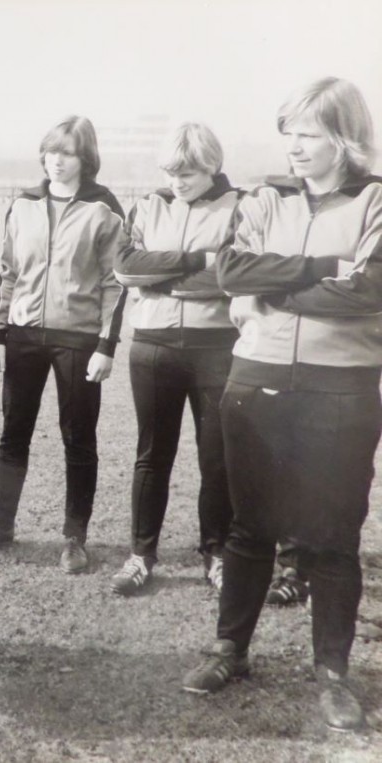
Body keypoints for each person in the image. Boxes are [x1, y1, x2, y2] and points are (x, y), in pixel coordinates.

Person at [182, 77, 382, 733]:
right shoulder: (266, 196)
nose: (294, 146)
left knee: (331, 537)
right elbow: (233, 273)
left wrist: (280, 288)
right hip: (256, 377)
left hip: (342, 387)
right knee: (249, 525)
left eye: (309, 133)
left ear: (345, 138)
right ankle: (229, 648)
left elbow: (369, 293)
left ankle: (332, 671)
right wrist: (326, 269)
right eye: (288, 132)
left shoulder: (376, 199)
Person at [0, 116, 127, 574]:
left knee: (78, 437)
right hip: (23, 336)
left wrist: (106, 346)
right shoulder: (23, 205)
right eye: (51, 151)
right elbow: (9, 273)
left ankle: (75, 538)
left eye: (68, 152)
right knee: (14, 431)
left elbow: (117, 283)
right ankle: (1, 524)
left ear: (85, 159)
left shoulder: (104, 209)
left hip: (78, 340)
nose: (57, 160)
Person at [110, 124, 242, 596]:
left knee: (217, 458)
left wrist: (158, 276)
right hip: (153, 347)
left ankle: (217, 553)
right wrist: (193, 263)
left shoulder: (240, 206)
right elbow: (125, 268)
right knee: (151, 455)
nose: (179, 181)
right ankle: (141, 554)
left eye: (188, 172)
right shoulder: (148, 204)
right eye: (171, 172)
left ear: (212, 166)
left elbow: (234, 276)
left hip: (217, 347)